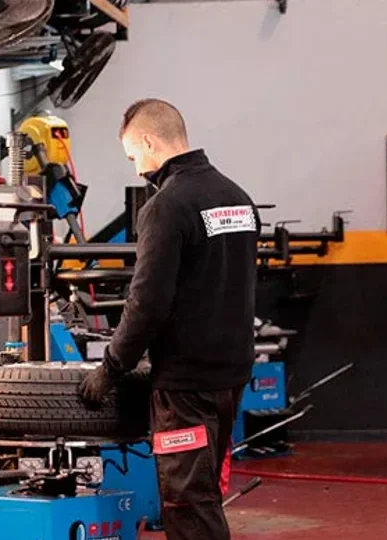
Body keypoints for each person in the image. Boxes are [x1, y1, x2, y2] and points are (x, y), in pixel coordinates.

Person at [78, 99, 259, 540]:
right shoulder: (238, 198)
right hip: (231, 374)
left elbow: (147, 302)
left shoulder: (166, 206)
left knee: (188, 503)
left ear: (148, 142)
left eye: (133, 157)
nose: (137, 168)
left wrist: (111, 368)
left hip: (185, 386)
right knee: (205, 491)